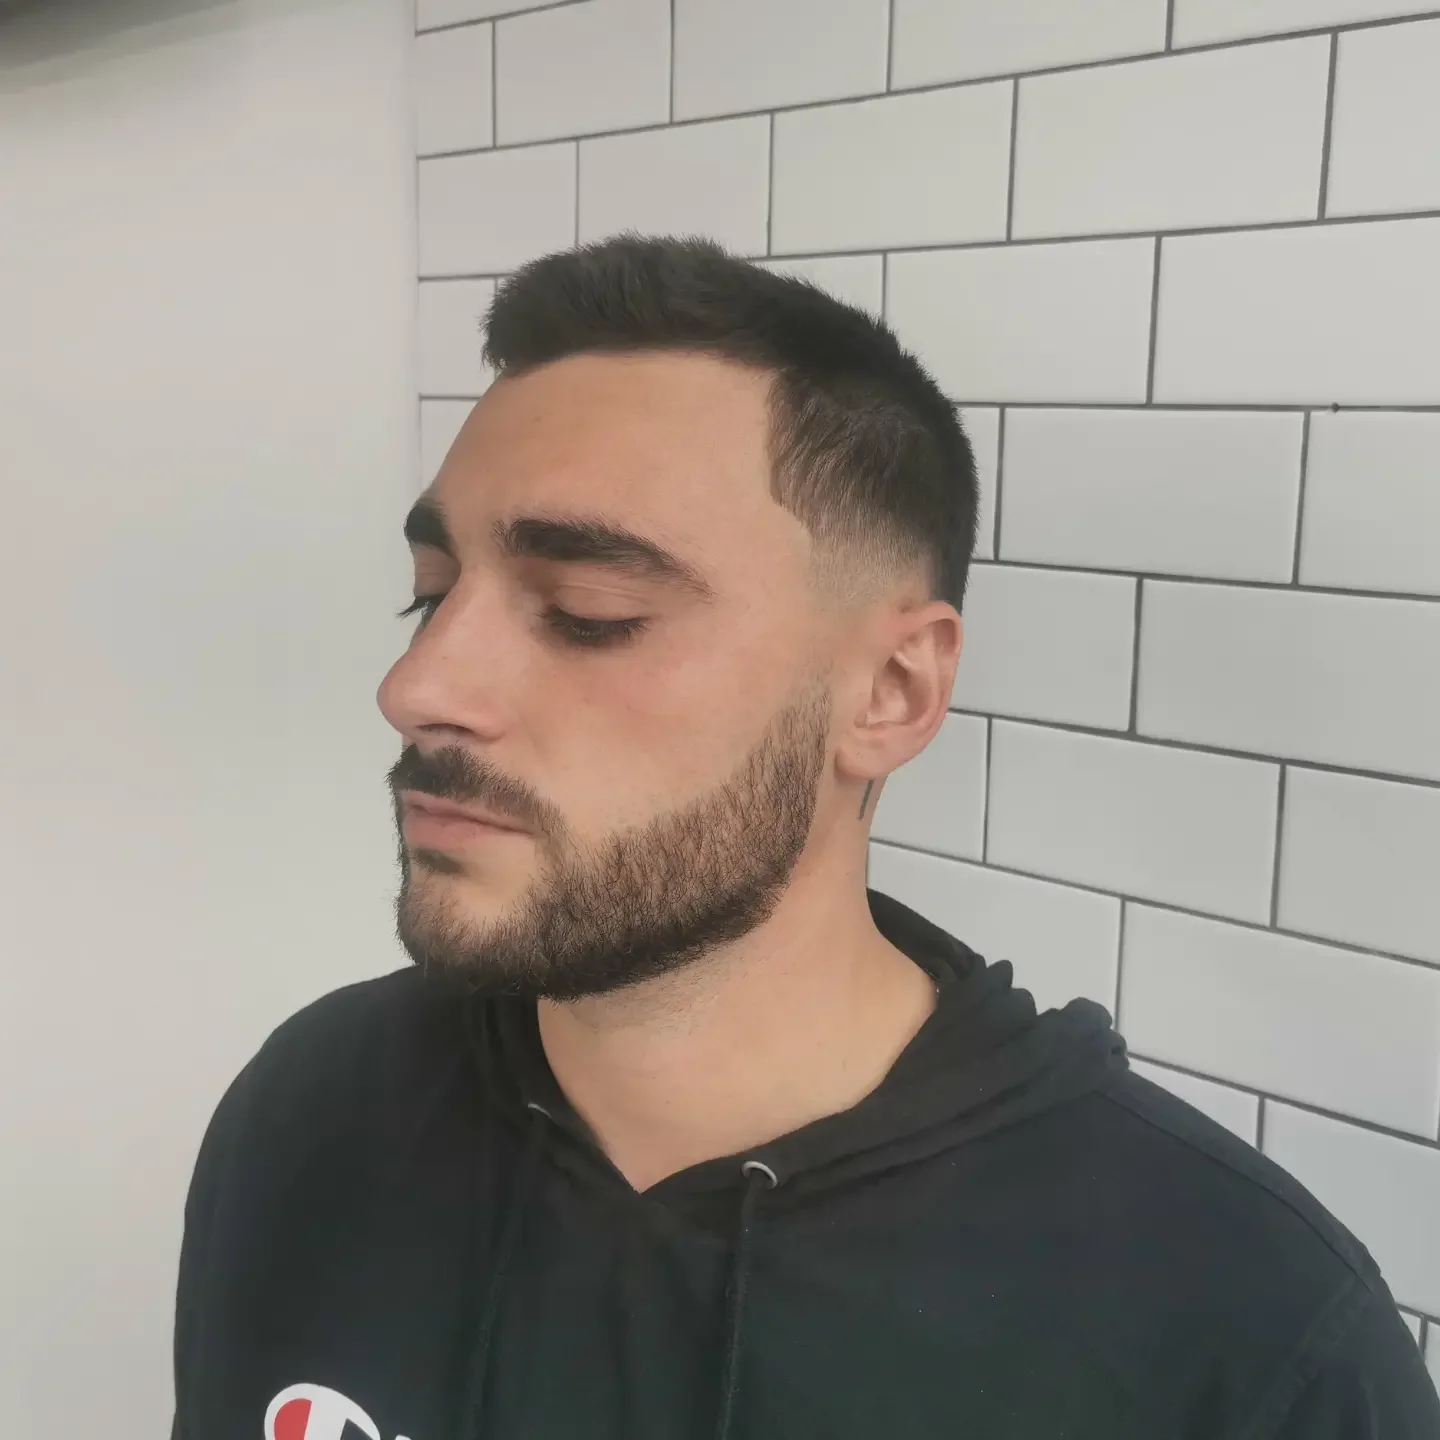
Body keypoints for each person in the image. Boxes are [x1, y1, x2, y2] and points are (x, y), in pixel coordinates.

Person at [170, 234, 1439, 1440]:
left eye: (587, 610)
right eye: (432, 594)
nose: (419, 686)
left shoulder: (1241, 1331)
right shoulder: (318, 1106)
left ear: (889, 693)